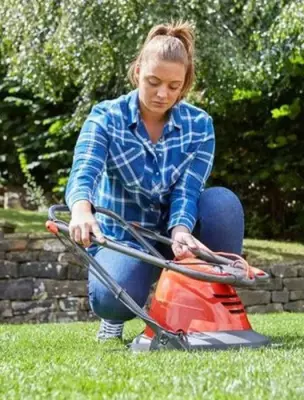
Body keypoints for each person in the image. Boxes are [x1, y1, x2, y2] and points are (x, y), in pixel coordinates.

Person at [65, 21, 244, 341]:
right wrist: (81, 209)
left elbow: (189, 188)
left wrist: (181, 229)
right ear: (137, 72)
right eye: (153, 82)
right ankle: (114, 317)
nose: (163, 94)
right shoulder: (106, 117)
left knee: (222, 203)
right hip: (125, 236)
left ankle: (210, 310)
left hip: (172, 232)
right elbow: (85, 168)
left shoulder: (200, 126)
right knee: (112, 301)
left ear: (185, 84)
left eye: (174, 86)